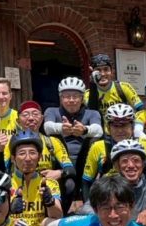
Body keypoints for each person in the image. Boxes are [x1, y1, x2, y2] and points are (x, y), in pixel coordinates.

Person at [82, 103, 146, 200]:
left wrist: (141, 165)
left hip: (139, 189)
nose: (120, 130)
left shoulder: (143, 143)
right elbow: (87, 180)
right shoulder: (98, 146)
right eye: (115, 126)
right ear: (108, 127)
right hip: (111, 193)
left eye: (124, 125)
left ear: (132, 127)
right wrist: (88, 206)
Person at [43, 77, 102, 208]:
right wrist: (61, 128)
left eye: (75, 96)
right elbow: (47, 127)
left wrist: (84, 130)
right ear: (60, 98)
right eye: (67, 96)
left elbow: (98, 130)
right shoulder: (51, 111)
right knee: (69, 186)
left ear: (82, 98)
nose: (71, 100)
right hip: (60, 160)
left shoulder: (92, 113)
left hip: (85, 159)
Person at [4, 101, 75, 189]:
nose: (31, 118)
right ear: (18, 121)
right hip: (20, 186)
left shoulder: (52, 141)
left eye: (35, 114)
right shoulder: (10, 142)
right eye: (25, 115)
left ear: (41, 119)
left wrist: (60, 172)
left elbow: (70, 169)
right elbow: (2, 169)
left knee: (70, 184)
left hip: (47, 185)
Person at [87, 53, 143, 123]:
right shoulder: (88, 94)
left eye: (106, 69)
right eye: (98, 70)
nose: (103, 74)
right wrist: (92, 84)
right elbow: (90, 114)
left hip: (123, 127)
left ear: (112, 71)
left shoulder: (124, 87)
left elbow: (141, 110)